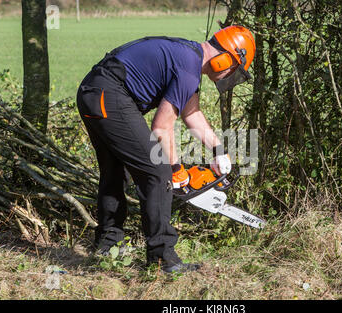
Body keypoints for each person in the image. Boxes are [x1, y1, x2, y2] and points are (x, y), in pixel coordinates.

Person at [76, 25, 256, 273]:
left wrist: (218, 149)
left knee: (115, 171)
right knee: (158, 171)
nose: (230, 75)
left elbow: (191, 113)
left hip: (94, 92)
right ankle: (163, 259)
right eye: (234, 69)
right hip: (109, 95)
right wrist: (175, 169)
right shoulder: (188, 68)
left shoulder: (189, 58)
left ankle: (108, 246)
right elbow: (161, 127)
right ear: (225, 58)